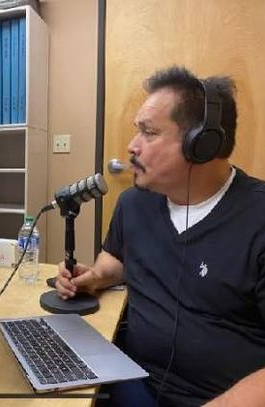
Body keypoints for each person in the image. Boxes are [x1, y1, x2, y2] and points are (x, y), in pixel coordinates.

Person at [56, 66, 265, 406]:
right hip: (133, 381)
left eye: (148, 133)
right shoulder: (134, 202)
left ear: (203, 143)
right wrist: (93, 278)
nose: (131, 146)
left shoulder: (258, 217)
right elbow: (117, 259)